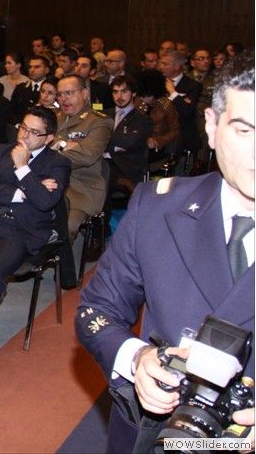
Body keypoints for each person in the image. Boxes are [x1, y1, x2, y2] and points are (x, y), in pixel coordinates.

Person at [76, 60, 255, 454]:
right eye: (245, 130)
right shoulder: (156, 208)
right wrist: (137, 357)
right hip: (162, 430)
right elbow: (97, 309)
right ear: (212, 127)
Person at [0, 106, 71, 330]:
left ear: (49, 138)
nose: (25, 135)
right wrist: (25, 191)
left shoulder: (58, 163)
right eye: (23, 127)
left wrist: (22, 167)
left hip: (21, 231)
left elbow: (45, 202)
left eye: (34, 132)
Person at [50, 75, 113, 288]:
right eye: (60, 94)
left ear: (84, 94)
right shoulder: (53, 117)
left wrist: (54, 145)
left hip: (81, 186)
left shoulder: (99, 121)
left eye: (70, 93)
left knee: (66, 225)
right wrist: (66, 145)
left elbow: (87, 156)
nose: (64, 99)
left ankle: (64, 268)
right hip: (48, 180)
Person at [106, 74, 153, 194]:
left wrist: (105, 141)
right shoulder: (103, 115)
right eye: (115, 92)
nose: (119, 96)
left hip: (126, 168)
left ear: (134, 93)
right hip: (102, 164)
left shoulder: (143, 119)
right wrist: (116, 145)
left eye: (124, 91)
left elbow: (130, 142)